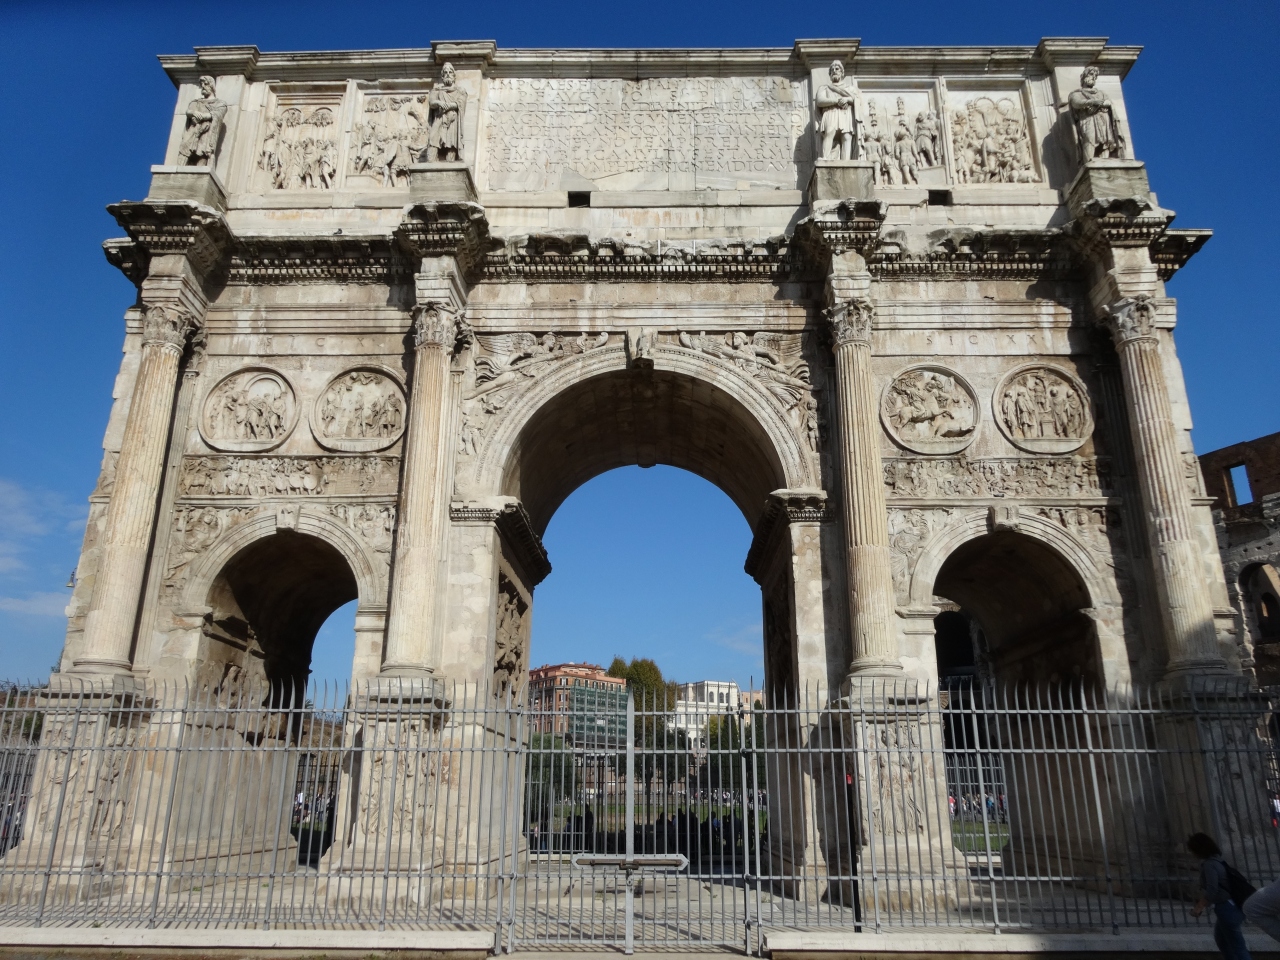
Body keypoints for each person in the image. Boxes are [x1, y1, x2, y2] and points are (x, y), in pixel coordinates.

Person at [1188, 832, 1253, 960]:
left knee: (1237, 946)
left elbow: (1212, 889)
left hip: (1227, 908)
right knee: (1222, 941)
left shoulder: (1209, 865)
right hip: (1231, 906)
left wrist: (1199, 907)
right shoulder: (1218, 860)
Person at [815, 60, 858, 161]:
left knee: (846, 137)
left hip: (845, 113)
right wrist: (836, 101)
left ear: (842, 72)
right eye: (832, 70)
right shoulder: (824, 88)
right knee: (829, 132)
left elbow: (856, 99)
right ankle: (825, 157)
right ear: (830, 74)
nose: (834, 71)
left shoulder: (850, 88)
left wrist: (847, 99)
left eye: (837, 69)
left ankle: (846, 162)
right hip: (830, 112)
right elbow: (820, 101)